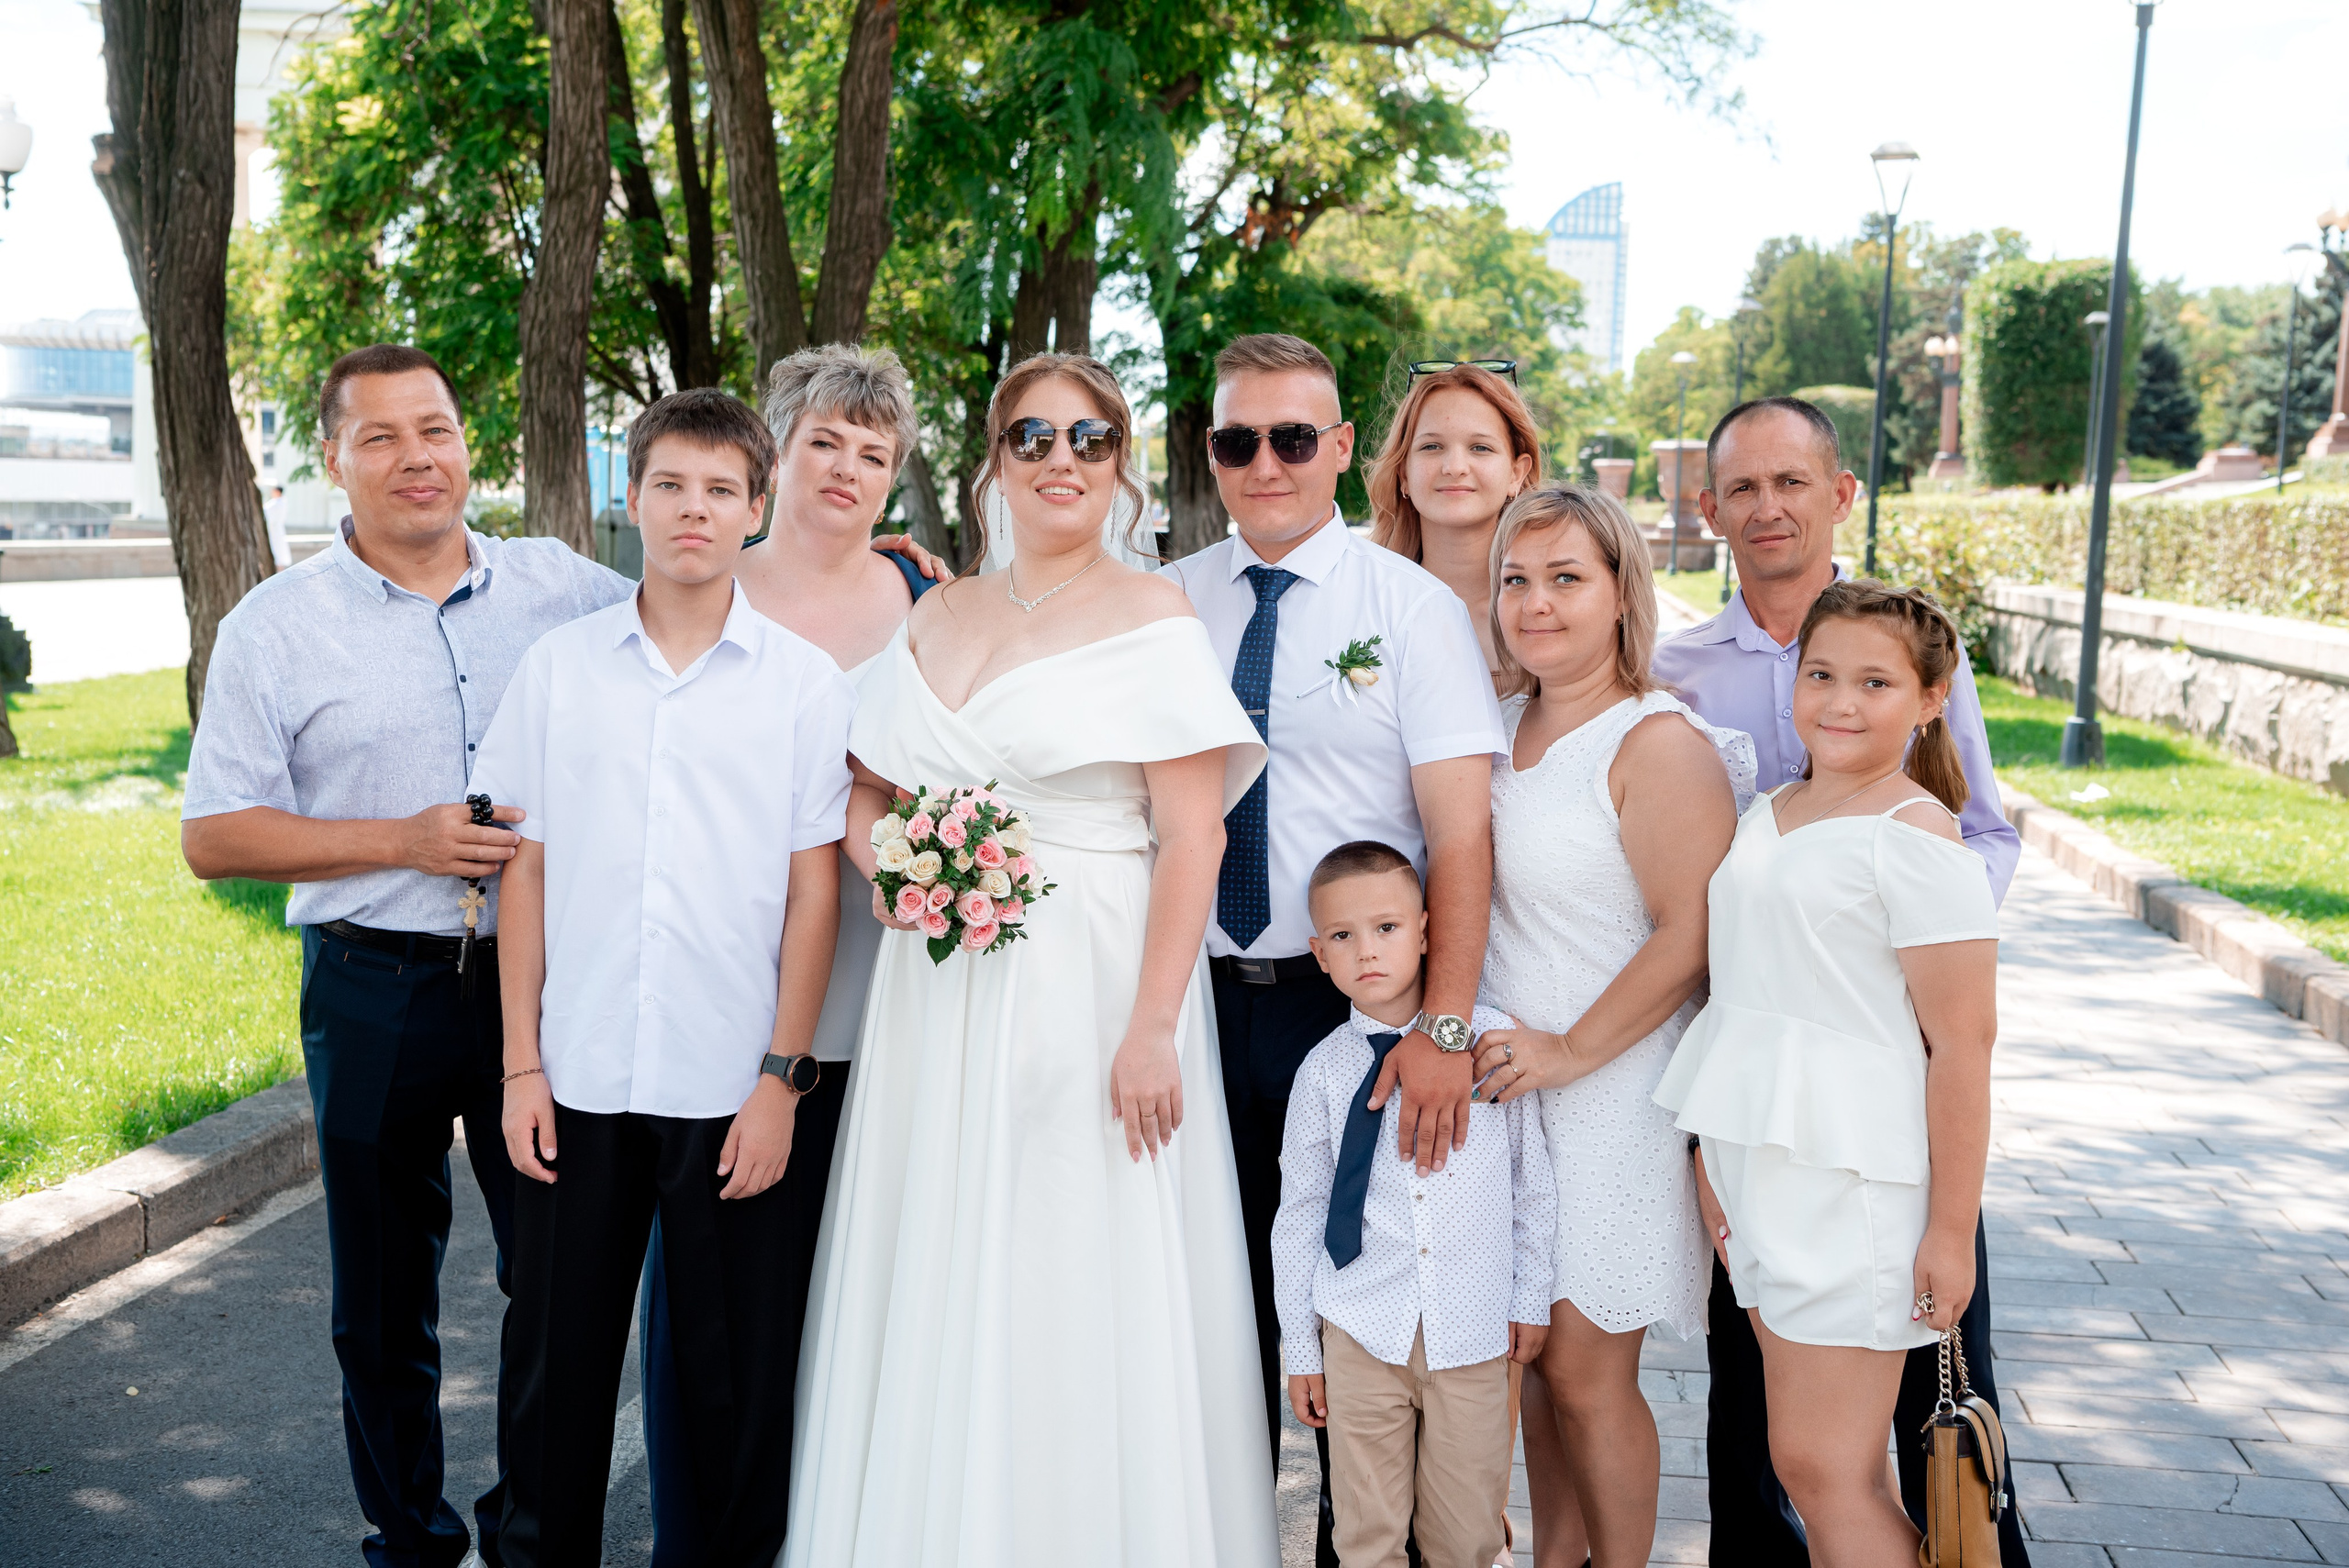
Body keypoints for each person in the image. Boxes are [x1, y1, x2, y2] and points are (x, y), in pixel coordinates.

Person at [785, 352, 1278, 1567]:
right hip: (939, 982)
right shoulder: (936, 612)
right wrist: (899, 874)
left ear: (1120, 464)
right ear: (995, 460)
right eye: (1034, 436)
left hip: (1093, 979)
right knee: (940, 1245)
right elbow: (865, 788)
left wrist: (1152, 1027)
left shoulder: (1154, 617)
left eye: (1090, 438)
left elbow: (1195, 835)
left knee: (1068, 1252)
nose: (1063, 459)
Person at [180, 344, 637, 1568]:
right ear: (332, 459)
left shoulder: (565, 587)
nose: (414, 457)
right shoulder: (275, 626)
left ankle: (532, 1539)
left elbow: (712, 603)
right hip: (372, 986)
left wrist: (878, 563)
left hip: (542, 992)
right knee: (381, 1302)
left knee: (558, 1283)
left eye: (433, 428)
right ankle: (410, 1542)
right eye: (378, 436)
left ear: (465, 442)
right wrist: (404, 839)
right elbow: (214, 835)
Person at [473, 388, 853, 1564]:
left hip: (731, 1085)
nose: (695, 509)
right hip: (577, 1078)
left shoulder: (802, 682)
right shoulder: (560, 668)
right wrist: (521, 1066)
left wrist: (781, 1078)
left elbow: (813, 893)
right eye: (671, 486)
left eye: (721, 490)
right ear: (630, 498)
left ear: (755, 510)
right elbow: (524, 872)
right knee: (553, 1376)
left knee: (732, 1390)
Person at [1652, 395, 2028, 1566]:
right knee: (1801, 1461)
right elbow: (1740, 977)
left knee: (1832, 1469)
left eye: (1874, 683)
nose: (1840, 700)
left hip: (1856, 1164)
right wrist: (1714, 1158)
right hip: (1760, 1159)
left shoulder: (1921, 839)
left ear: (1927, 699)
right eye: (1821, 676)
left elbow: (1961, 1043)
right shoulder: (1769, 800)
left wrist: (1951, 1234)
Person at [1162, 333, 1503, 1564]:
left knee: (1359, 1298)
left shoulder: (1408, 610)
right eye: (1236, 439)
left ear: (1343, 448)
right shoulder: (1164, 603)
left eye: (1293, 437)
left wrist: (1443, 1025)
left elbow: (1461, 837)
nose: (1265, 463)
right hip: (1194, 1001)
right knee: (1210, 1299)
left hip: (1351, 1004)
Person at [631, 344, 937, 1566]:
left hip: (890, 1003)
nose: (846, 470)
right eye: (824, 443)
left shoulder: (929, 603)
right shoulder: (709, 590)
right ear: (775, 453)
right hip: (729, 1015)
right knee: (715, 1312)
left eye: (874, 453)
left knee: (850, 1308)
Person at [1464, 488, 1749, 1568]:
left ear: (1622, 592)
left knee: (1587, 1372)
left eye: (1565, 578)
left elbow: (1693, 930)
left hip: (1614, 1091)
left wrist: (1571, 1050)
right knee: (1536, 1361)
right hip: (1511, 1095)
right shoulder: (1493, 727)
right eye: (1516, 579)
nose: (1536, 602)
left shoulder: (1655, 742)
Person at [1273, 840, 1553, 1568]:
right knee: (1366, 1538)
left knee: (1465, 1538)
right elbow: (1299, 1213)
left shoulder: (1488, 1042)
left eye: (1387, 927)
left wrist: (1531, 1295)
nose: (1367, 949)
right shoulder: (1321, 1073)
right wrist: (1302, 1348)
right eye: (1343, 935)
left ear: (1427, 931)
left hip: (1473, 1330)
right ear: (1319, 954)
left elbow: (1530, 1183)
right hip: (1359, 1330)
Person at [1364, 362, 1542, 689]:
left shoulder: (1549, 611)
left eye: (1480, 448)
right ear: (1403, 474)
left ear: (1516, 474)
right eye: (1432, 447)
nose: (1455, 467)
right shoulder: (1362, 603)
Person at [263, 484, 293, 571]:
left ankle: (278, 569)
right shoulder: (282, 502)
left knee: (277, 550)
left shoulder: (276, 503)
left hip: (274, 529)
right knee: (279, 550)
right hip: (277, 529)